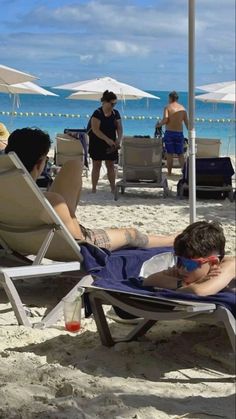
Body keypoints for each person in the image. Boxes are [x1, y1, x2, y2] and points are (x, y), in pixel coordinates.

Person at [5, 127, 176, 252]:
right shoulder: (52, 202)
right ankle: (172, 240)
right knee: (131, 235)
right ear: (40, 163)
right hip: (73, 243)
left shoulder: (6, 195)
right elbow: (79, 243)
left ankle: (173, 238)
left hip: (18, 241)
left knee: (74, 165)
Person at [143, 221, 235, 296]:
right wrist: (182, 283)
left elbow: (199, 292)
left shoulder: (230, 266)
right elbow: (148, 281)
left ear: (213, 262)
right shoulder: (186, 272)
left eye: (190, 264)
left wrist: (180, 286)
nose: (182, 269)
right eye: (179, 261)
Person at [88, 90, 123, 193]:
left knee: (110, 165)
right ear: (105, 102)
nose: (114, 105)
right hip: (97, 142)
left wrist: (118, 139)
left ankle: (113, 188)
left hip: (111, 142)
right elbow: (95, 130)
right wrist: (107, 139)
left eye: (115, 103)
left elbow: (119, 128)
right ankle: (94, 188)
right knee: (96, 165)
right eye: (112, 103)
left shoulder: (115, 113)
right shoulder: (97, 113)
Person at [156, 91, 188, 175]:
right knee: (180, 154)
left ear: (170, 98)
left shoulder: (167, 107)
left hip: (170, 133)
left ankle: (169, 172)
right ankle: (185, 172)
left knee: (169, 153)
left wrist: (158, 124)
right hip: (179, 133)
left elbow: (166, 119)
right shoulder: (183, 109)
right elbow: (187, 123)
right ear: (177, 99)